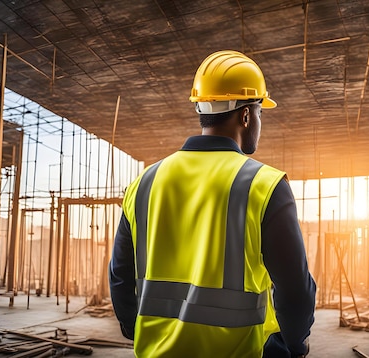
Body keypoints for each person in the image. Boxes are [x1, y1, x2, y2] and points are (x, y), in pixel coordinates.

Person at [109, 50, 316, 357]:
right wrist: (294, 344)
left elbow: (121, 278)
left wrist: (137, 330)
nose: (260, 121)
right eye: (260, 112)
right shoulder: (265, 185)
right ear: (246, 115)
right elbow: (295, 290)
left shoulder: (144, 184)